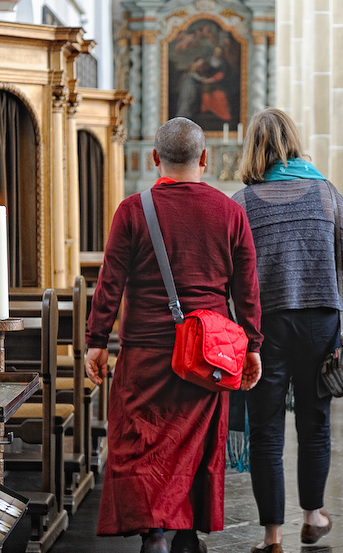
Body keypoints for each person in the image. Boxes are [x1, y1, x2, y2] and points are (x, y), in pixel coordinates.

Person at [85, 117, 264, 553]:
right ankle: (186, 534)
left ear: (154, 159)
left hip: (144, 350)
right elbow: (247, 287)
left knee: (143, 442)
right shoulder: (230, 212)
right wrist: (254, 345)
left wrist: (96, 340)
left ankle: (155, 533)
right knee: (196, 445)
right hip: (208, 354)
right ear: (205, 158)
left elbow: (111, 282)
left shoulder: (132, 210)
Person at [231, 108, 343, 553]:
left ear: (253, 148)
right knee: (315, 422)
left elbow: (229, 271)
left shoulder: (242, 204)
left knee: (266, 429)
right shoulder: (326, 194)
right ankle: (314, 516)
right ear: (293, 141)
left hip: (264, 326)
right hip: (320, 321)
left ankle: (272, 536)